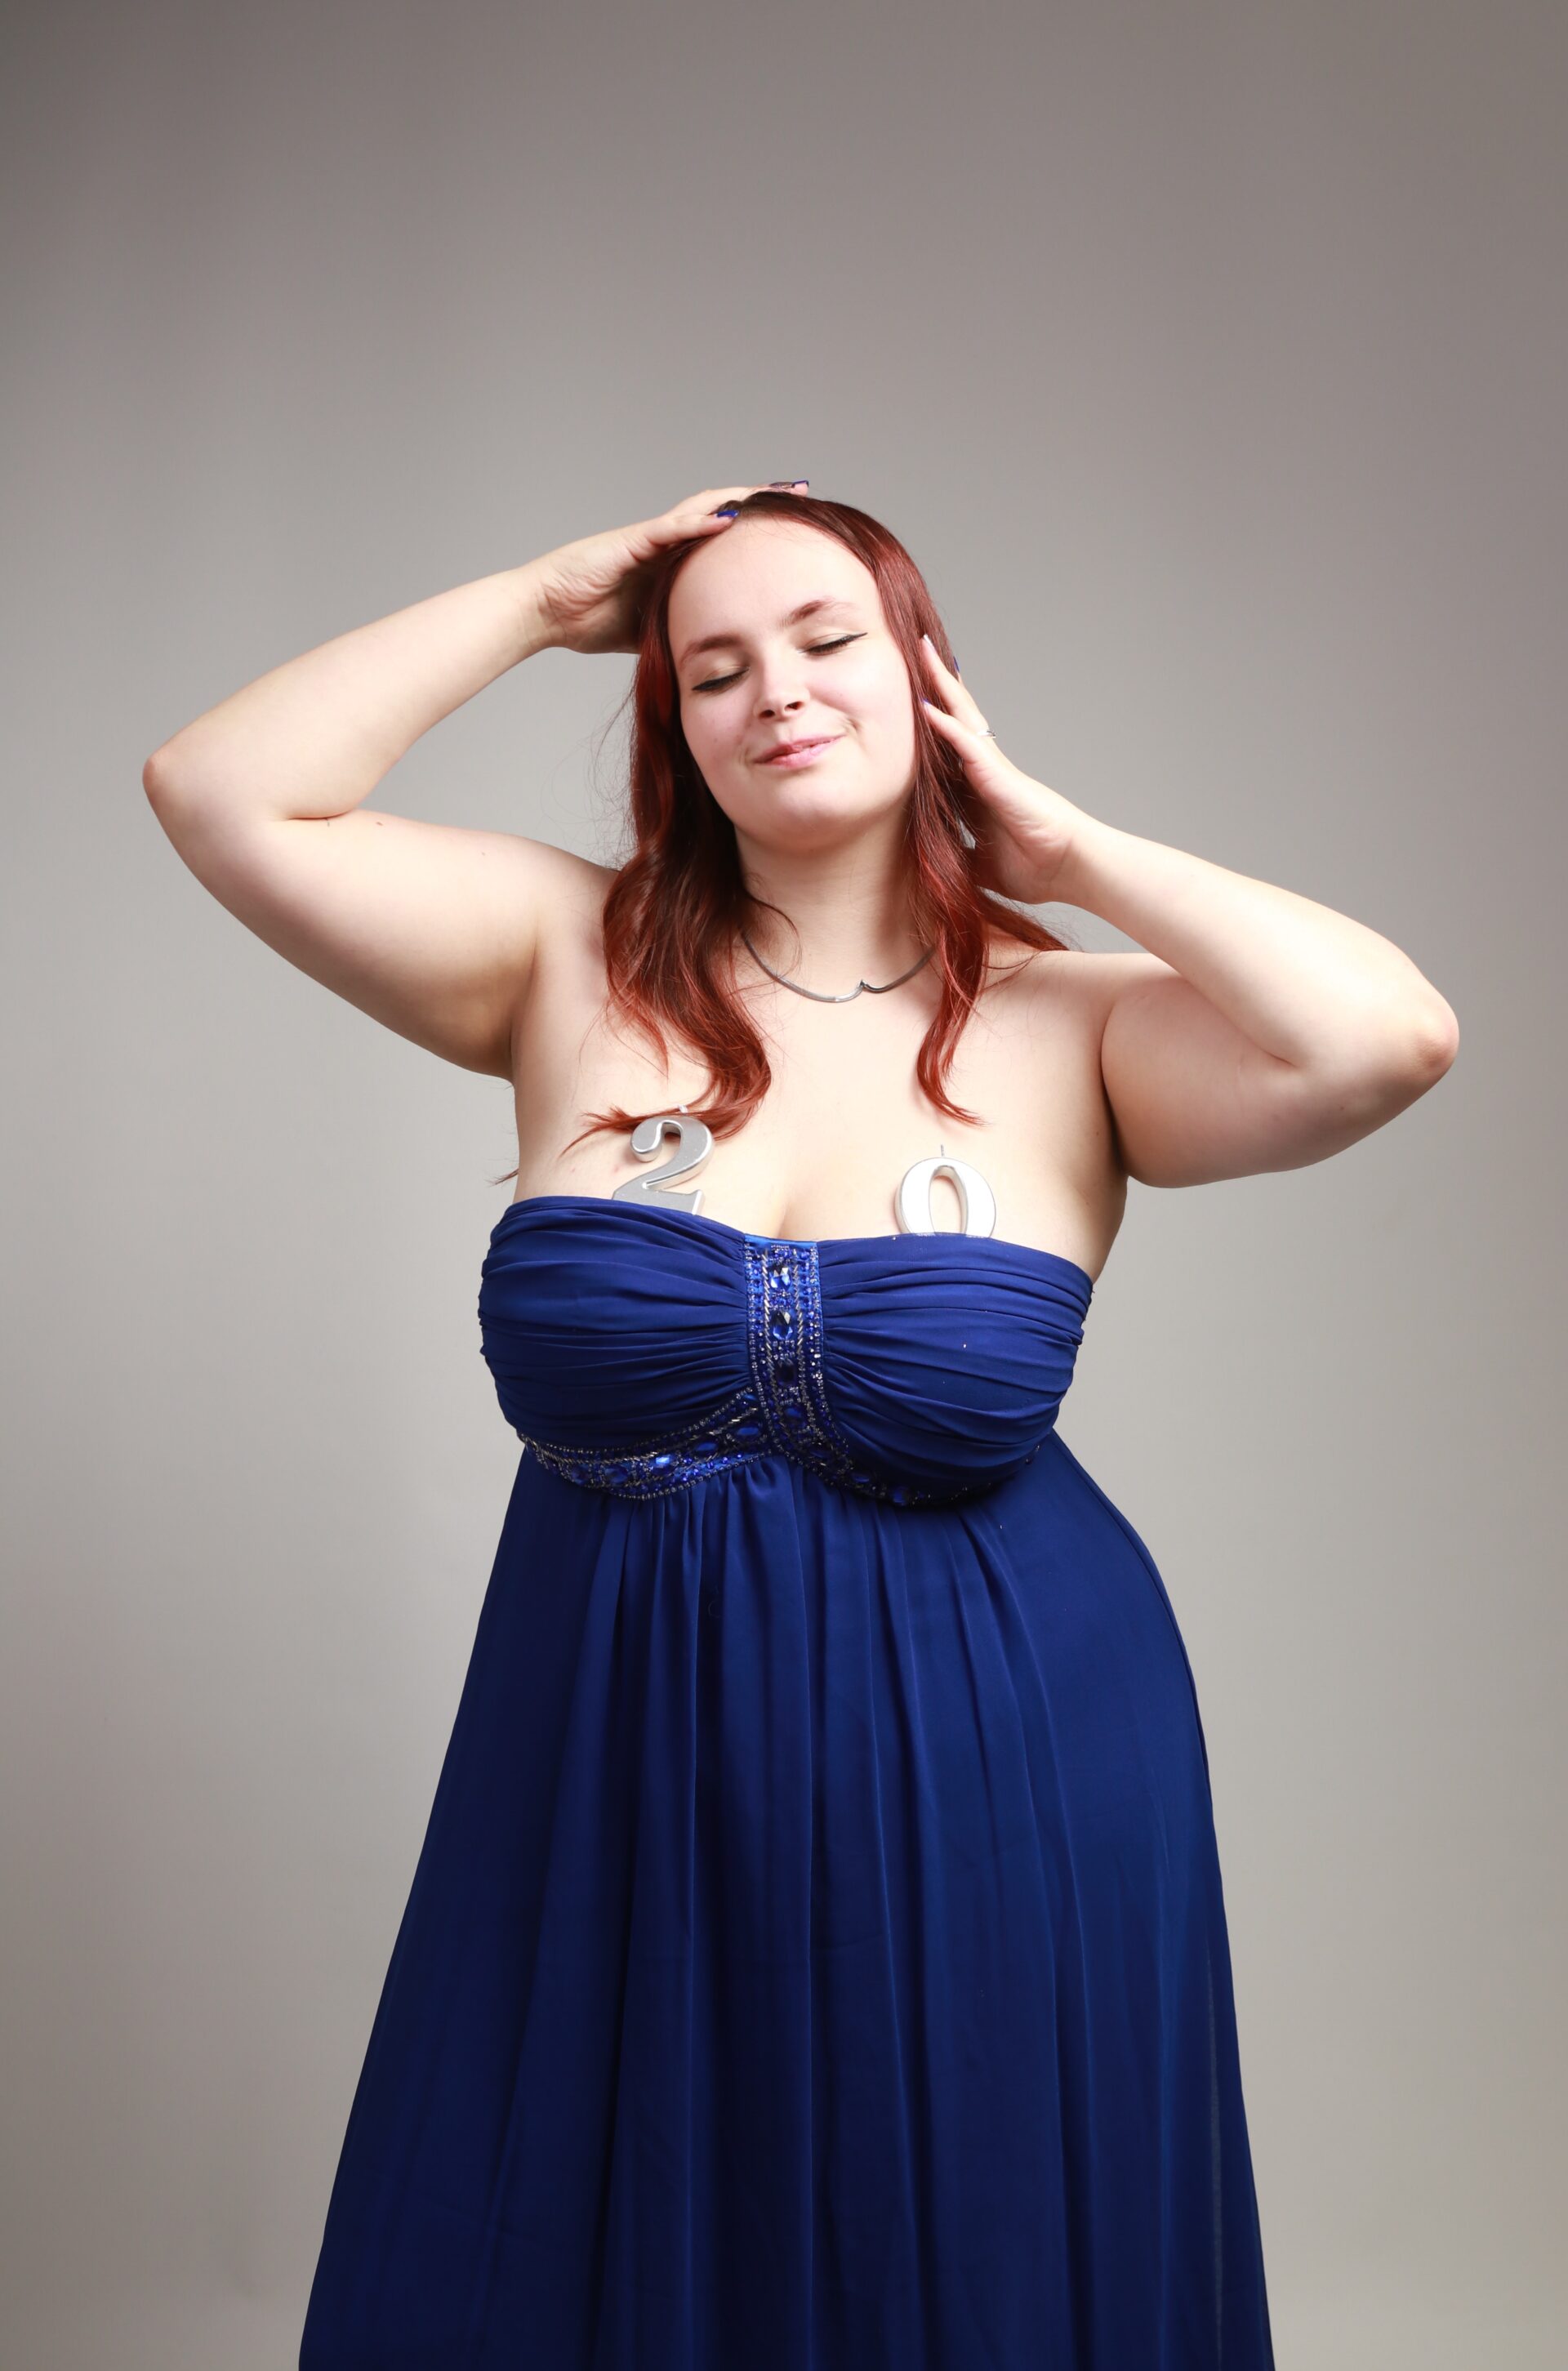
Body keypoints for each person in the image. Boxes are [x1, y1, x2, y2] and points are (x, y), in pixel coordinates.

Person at [144, 481, 1459, 2369]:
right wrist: (543, 597)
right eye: (713, 669)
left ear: (928, 675)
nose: (776, 690)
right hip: (612, 1744)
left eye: (829, 641)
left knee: (966, 2232)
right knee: (604, 2232)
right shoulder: (560, 953)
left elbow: (1388, 1038)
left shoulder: (1078, 1023)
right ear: (671, 727)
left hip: (994, 1743)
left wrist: (1071, 847)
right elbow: (218, 790)